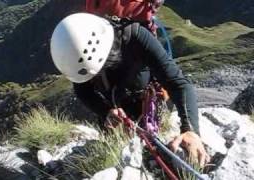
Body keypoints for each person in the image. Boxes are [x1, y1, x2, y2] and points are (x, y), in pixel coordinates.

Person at [50, 13, 210, 166]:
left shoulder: (135, 37)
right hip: (116, 111)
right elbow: (83, 91)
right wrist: (106, 112)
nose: (97, 75)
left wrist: (190, 130)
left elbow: (178, 84)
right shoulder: (77, 55)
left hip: (148, 105)